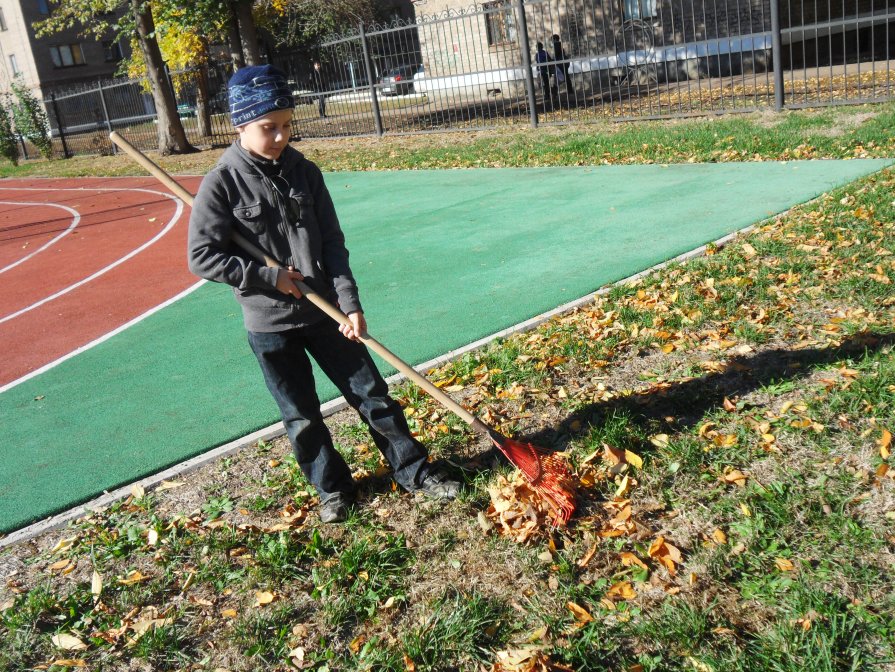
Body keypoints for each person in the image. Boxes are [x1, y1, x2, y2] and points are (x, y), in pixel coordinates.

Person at [187, 64, 461, 524]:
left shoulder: (304, 172)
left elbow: (332, 243)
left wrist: (349, 304)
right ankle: (332, 489)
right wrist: (267, 277)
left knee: (373, 395)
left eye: (287, 126)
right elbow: (202, 257)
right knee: (301, 416)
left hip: (326, 313)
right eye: (267, 127)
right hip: (270, 325)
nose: (279, 137)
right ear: (240, 125)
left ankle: (412, 469)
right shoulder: (222, 184)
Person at [551, 34, 574, 102]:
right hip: (563, 64)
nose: (551, 41)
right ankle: (570, 91)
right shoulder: (560, 46)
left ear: (554, 39)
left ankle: (554, 94)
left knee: (556, 79)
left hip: (559, 65)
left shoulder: (556, 45)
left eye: (552, 40)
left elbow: (556, 55)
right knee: (566, 77)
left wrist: (553, 59)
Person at [534, 41, 553, 109]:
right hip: (546, 70)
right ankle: (549, 94)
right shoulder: (545, 53)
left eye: (537, 47)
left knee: (544, 83)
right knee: (546, 83)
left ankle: (547, 95)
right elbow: (549, 59)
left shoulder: (537, 54)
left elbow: (537, 62)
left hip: (542, 71)